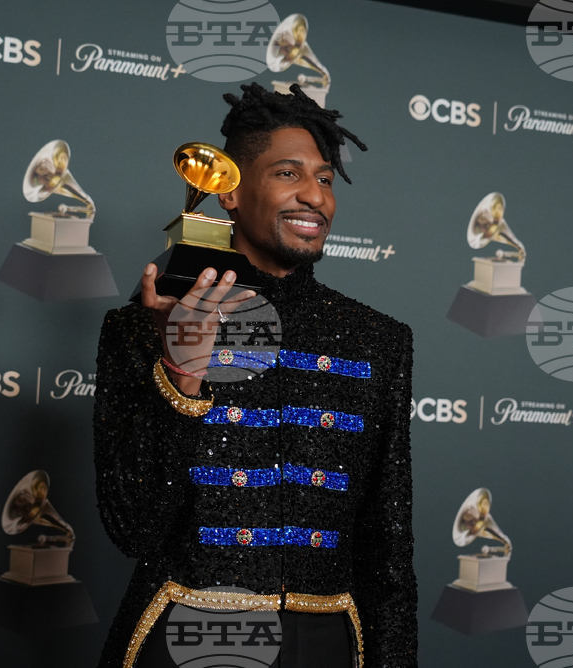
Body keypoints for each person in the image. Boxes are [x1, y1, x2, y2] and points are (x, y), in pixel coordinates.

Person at [94, 82, 416, 668]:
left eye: (323, 178)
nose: (314, 196)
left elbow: (387, 545)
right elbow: (133, 527)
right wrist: (180, 373)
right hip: (186, 634)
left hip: (329, 643)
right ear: (229, 194)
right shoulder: (142, 326)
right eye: (288, 174)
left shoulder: (380, 340)